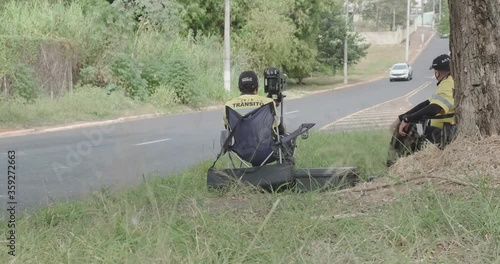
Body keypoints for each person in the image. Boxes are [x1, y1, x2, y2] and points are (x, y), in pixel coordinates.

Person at [387, 54, 457, 166]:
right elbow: (427, 104)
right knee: (412, 123)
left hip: (447, 133)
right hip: (445, 129)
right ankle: (407, 164)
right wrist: (403, 117)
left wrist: (407, 120)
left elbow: (434, 108)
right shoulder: (451, 80)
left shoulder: (447, 84)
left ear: (437, 73)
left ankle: (394, 166)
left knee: (407, 130)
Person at [223, 70, 286, 136]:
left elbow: (228, 127)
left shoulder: (229, 105)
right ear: (257, 87)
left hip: (239, 146)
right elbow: (278, 128)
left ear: (239, 88)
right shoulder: (269, 103)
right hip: (264, 146)